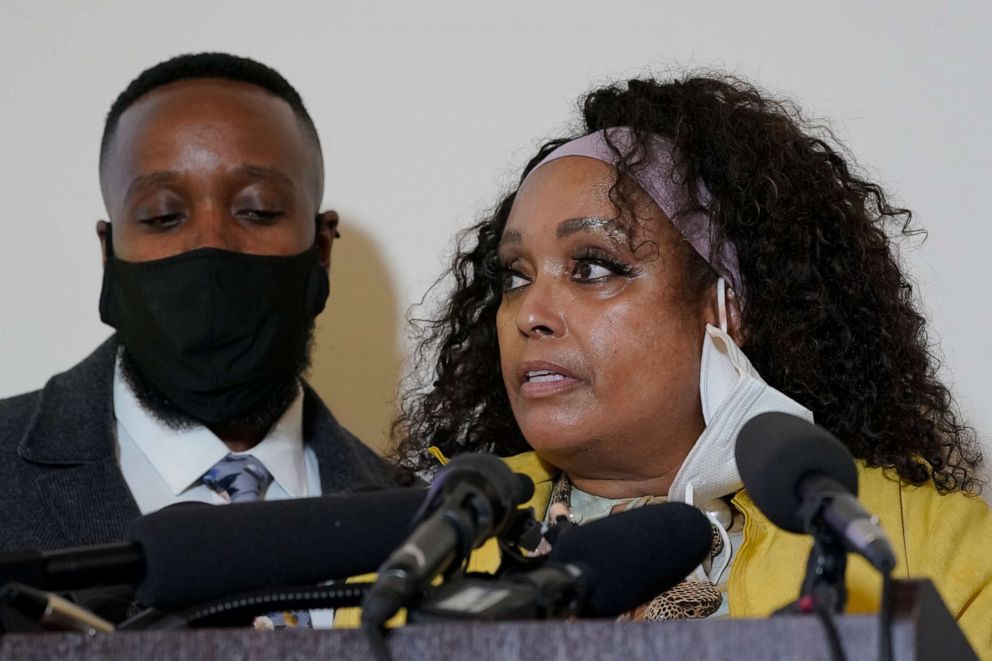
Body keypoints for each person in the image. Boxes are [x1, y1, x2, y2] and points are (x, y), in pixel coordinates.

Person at [392, 75, 992, 651]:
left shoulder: (925, 547)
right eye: (516, 277)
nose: (531, 314)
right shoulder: (427, 546)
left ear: (725, 305)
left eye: (594, 267)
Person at [0, 53, 399, 556]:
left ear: (321, 250)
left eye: (258, 210)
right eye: (164, 216)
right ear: (108, 252)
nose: (211, 245)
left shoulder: (419, 520)